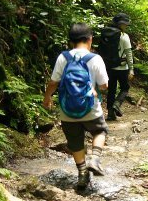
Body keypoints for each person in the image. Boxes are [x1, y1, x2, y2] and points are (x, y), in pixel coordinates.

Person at [43, 23, 109, 190]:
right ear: (90, 40)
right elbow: (104, 85)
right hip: (90, 109)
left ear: (70, 41)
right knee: (100, 131)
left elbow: (53, 82)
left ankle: (82, 174)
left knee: (75, 142)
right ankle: (94, 159)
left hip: (67, 111)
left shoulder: (63, 57)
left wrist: (47, 98)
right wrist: (95, 88)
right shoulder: (95, 59)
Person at [98, 12, 134, 120]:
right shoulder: (124, 36)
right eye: (125, 24)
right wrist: (131, 69)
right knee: (125, 88)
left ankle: (110, 114)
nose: (126, 26)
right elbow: (129, 53)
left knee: (112, 90)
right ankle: (116, 105)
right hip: (122, 67)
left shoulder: (106, 33)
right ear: (120, 24)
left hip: (109, 67)